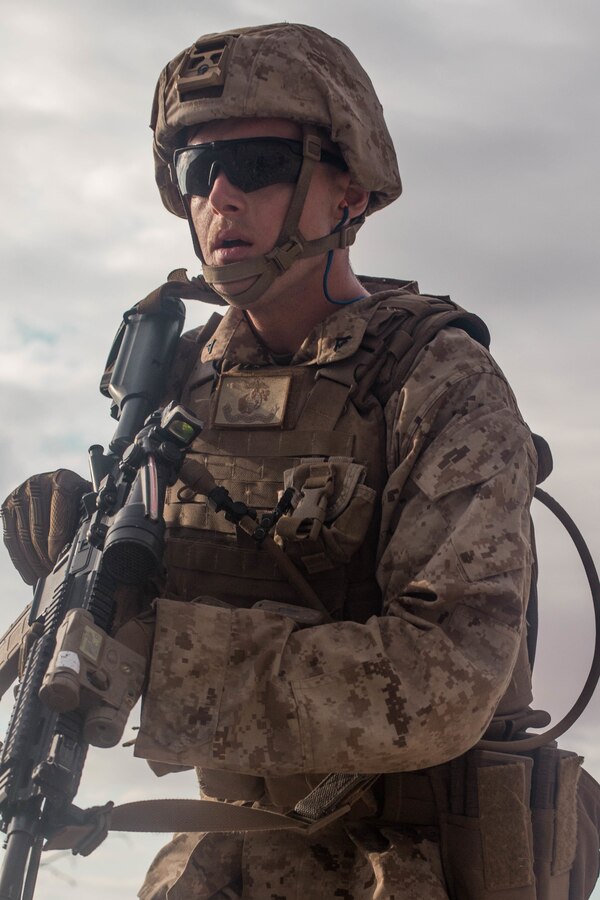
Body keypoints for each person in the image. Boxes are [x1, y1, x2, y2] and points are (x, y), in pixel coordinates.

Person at [3, 22, 599, 900]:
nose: (221, 196)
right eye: (197, 170)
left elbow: (447, 676)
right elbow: (133, 611)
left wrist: (159, 653)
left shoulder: (438, 383)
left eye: (257, 164)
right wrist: (84, 569)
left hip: (407, 865)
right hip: (227, 854)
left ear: (349, 192)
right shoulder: (176, 384)